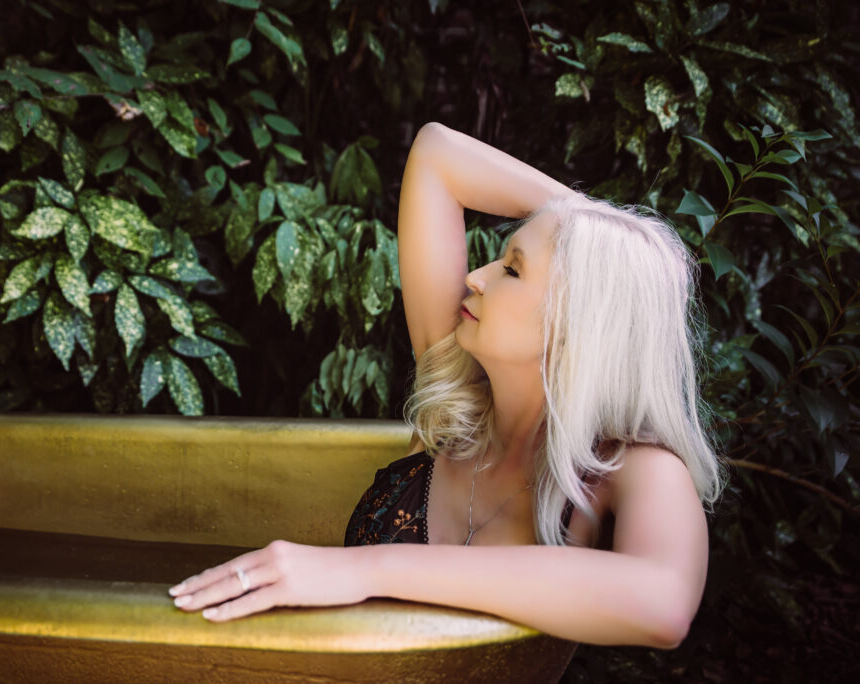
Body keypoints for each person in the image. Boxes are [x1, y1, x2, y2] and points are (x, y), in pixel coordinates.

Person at [168, 121, 727, 649]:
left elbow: (664, 605)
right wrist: (592, 228)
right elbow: (437, 154)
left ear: (581, 321)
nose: (474, 276)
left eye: (511, 269)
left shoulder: (632, 469)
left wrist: (361, 569)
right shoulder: (455, 405)